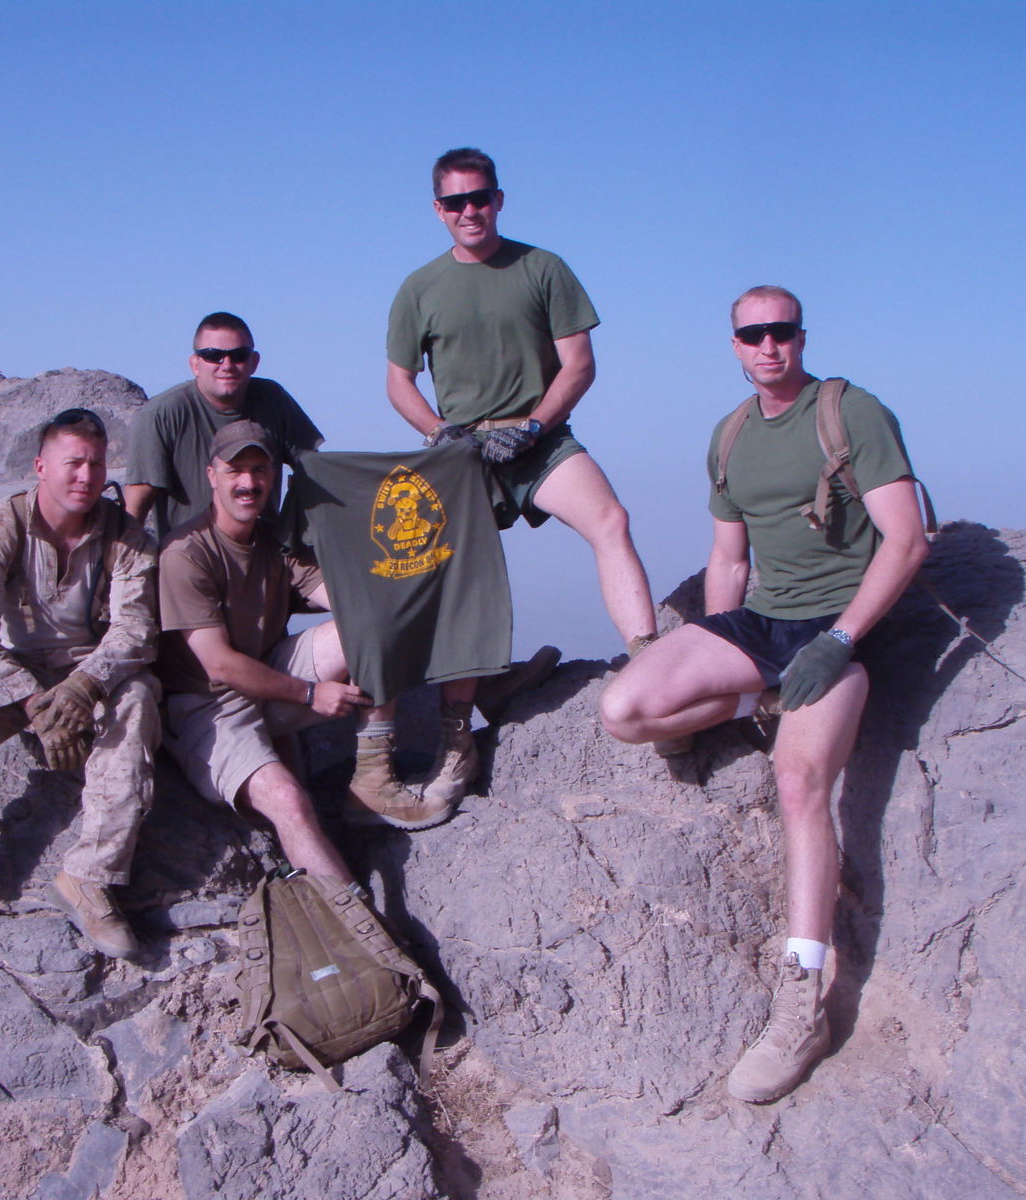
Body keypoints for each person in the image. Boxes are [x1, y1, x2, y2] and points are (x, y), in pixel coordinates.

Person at [599, 286, 930, 1103]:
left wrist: (841, 640)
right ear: (736, 346)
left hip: (844, 629)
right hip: (765, 625)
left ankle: (802, 998)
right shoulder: (732, 434)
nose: (769, 346)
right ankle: (766, 701)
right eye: (753, 335)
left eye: (781, 332)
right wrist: (726, 649)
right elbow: (729, 558)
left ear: (801, 337)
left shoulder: (851, 413)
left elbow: (908, 537)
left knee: (798, 785)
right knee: (623, 710)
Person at [386, 146, 652, 793]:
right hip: (462, 453)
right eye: (455, 202)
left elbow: (579, 363)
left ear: (499, 199)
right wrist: (438, 431)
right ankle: (456, 737)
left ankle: (650, 659)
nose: (469, 211)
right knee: (459, 578)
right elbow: (398, 381)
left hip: (539, 442)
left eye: (480, 198)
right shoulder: (419, 287)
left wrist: (533, 425)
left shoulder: (543, 268)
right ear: (437, 210)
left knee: (610, 520)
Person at [0, 408, 163, 960]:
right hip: (13, 674)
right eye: (72, 463)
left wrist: (82, 689)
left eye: (95, 464)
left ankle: (90, 878)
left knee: (139, 702)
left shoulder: (126, 535)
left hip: (91, 673)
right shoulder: (3, 526)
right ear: (41, 466)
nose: (85, 477)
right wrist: (37, 702)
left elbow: (137, 630)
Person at [157, 421, 455, 876]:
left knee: (372, 626)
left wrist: (398, 592)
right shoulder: (186, 554)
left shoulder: (274, 539)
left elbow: (346, 604)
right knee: (290, 802)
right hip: (205, 706)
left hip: (267, 679)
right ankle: (354, 926)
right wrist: (310, 694)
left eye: (260, 469)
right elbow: (218, 663)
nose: (248, 482)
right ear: (211, 475)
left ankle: (371, 778)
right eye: (236, 470)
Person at [124, 311, 323, 537]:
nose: (226, 364)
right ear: (195, 364)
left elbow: (315, 470)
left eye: (239, 355)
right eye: (213, 355)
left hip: (265, 556)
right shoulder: (161, 415)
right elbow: (136, 507)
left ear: (254, 362)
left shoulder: (273, 400)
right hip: (191, 557)